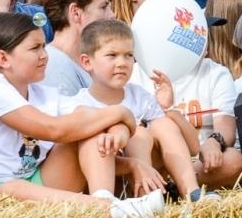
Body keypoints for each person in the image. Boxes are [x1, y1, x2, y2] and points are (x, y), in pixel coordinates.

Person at [0, 11, 162, 218]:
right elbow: (53, 129)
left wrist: (119, 129)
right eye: (35, 48)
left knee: (90, 130)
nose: (45, 55)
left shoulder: (42, 93)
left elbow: (91, 117)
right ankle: (110, 210)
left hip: (36, 181)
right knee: (13, 188)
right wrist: (119, 112)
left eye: (44, 46)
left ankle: (104, 205)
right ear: (3, 58)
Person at [75, 17, 205, 200]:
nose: (122, 62)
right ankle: (145, 200)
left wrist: (167, 109)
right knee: (139, 134)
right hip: (110, 175)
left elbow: (193, 148)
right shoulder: (79, 104)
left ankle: (192, 193)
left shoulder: (140, 96)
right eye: (112, 55)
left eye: (129, 55)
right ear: (87, 62)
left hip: (149, 167)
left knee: (163, 125)